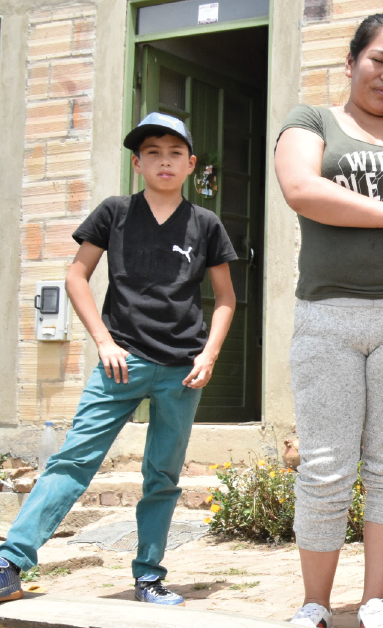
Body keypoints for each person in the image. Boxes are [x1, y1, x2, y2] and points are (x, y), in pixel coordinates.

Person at [0, 113, 237, 606]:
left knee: (162, 477)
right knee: (73, 459)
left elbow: (225, 298)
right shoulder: (114, 212)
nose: (164, 161)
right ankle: (9, 563)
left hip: (182, 370)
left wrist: (210, 355)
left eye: (175, 153)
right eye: (153, 152)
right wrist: (104, 342)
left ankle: (148, 576)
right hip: (120, 362)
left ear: (191, 164)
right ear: (137, 164)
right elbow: (76, 277)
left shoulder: (205, 224)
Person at [274, 14, 383, 628]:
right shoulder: (312, 121)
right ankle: (315, 604)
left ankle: (376, 600)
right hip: (328, 317)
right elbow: (301, 188)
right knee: (325, 463)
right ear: (351, 63)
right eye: (379, 60)